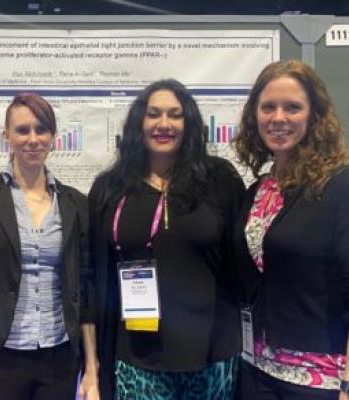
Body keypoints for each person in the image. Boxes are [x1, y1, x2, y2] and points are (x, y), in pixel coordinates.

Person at [89, 79, 244, 399]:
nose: (164, 124)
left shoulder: (219, 179)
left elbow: (241, 262)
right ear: (138, 123)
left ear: (188, 124)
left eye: (175, 115)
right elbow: (95, 275)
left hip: (212, 354)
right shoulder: (110, 188)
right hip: (137, 358)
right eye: (154, 114)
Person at [0, 93, 99, 400]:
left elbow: (85, 288)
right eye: (22, 130)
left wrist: (92, 369)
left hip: (58, 356)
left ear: (54, 137)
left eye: (41, 130)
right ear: (6, 136)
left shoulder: (76, 205)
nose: (33, 139)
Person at [233, 59, 349, 400]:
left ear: (314, 116)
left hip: (321, 383)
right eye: (268, 107)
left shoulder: (344, 188)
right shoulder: (259, 191)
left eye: (292, 107)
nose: (278, 118)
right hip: (256, 371)